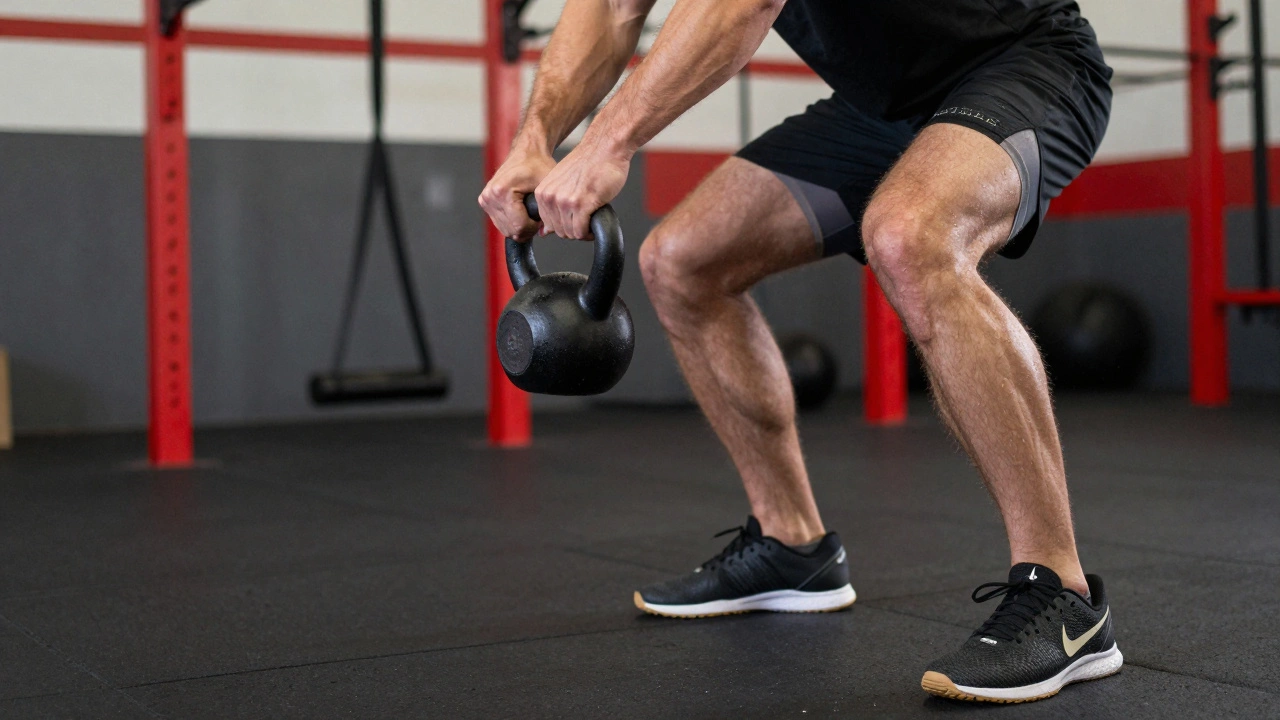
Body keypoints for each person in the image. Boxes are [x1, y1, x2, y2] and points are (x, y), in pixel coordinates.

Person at [479, 0, 1120, 704]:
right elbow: (608, 9)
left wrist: (605, 144)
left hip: (1024, 64)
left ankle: (1065, 598)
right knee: (682, 262)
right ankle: (792, 546)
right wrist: (536, 138)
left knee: (910, 237)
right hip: (882, 109)